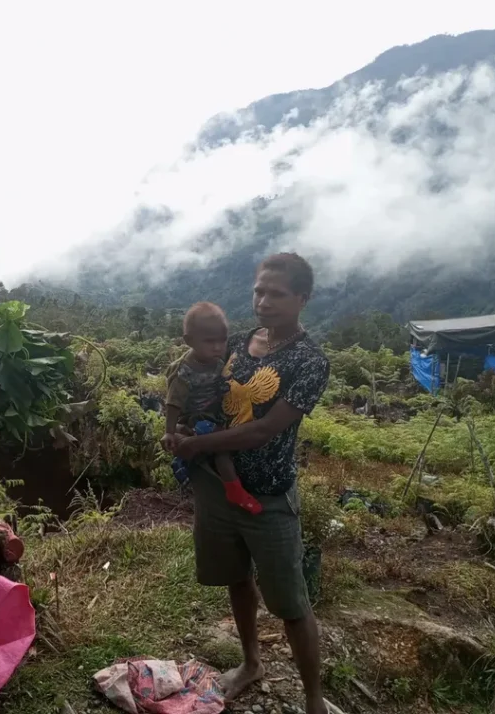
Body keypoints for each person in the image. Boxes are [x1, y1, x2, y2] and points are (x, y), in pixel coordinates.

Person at [167, 253, 331, 714]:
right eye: (259, 290)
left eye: (276, 294)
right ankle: (251, 663)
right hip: (216, 489)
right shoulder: (236, 344)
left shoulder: (309, 361)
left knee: (291, 601)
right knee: (237, 578)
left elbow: (263, 430)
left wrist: (199, 445)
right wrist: (179, 428)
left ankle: (314, 698)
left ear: (303, 298)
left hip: (268, 495)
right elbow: (196, 386)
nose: (263, 301)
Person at [162, 302, 261, 514]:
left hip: (214, 413)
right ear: (189, 341)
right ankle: (234, 489)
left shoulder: (217, 360)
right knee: (222, 448)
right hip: (196, 418)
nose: (217, 347)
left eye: (222, 340)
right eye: (209, 341)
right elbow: (173, 402)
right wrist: (169, 431)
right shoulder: (185, 370)